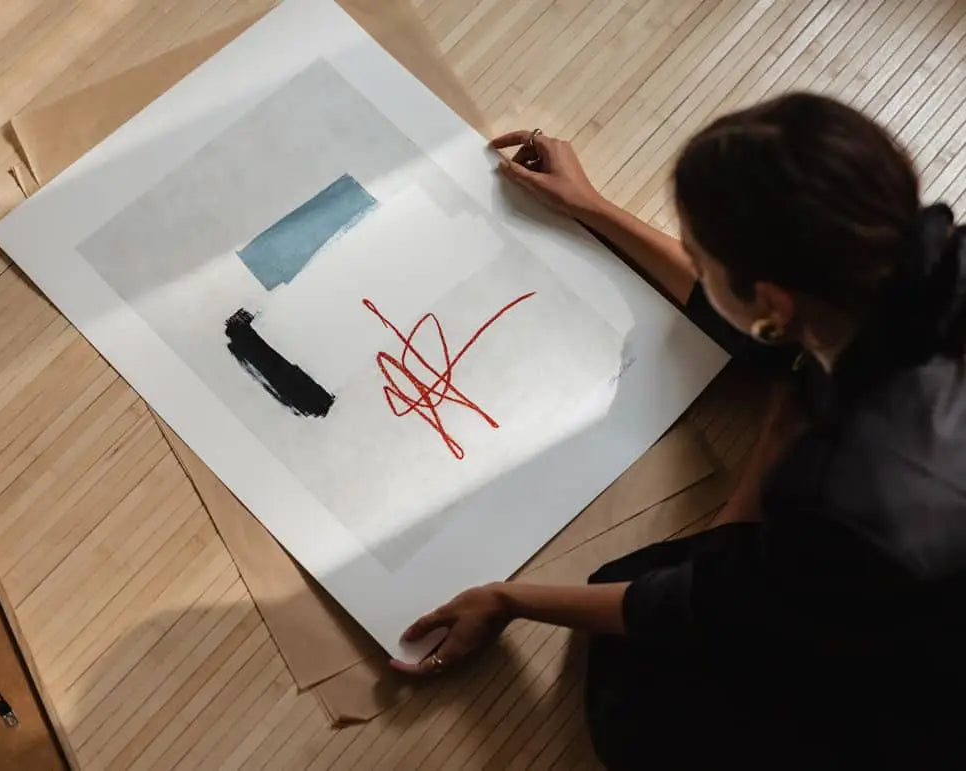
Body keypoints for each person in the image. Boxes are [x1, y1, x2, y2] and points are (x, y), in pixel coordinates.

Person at [391, 93, 966, 770]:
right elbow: (769, 313)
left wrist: (509, 597)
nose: (689, 256)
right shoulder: (928, 260)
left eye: (697, 251)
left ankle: (774, 433)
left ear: (774, 300)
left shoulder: (842, 496)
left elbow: (707, 607)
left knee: (650, 705)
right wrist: (592, 208)